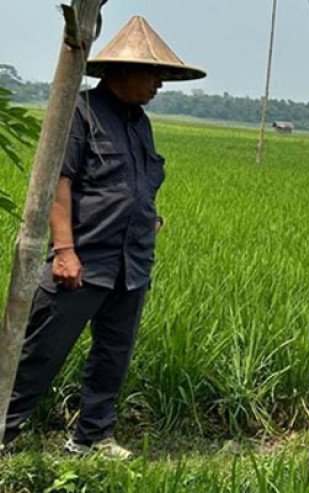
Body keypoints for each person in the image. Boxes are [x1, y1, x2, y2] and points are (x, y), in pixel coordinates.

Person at [0, 16, 205, 459]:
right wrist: (66, 251)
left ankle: (93, 436)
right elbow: (60, 181)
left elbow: (136, 181)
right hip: (83, 260)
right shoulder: (81, 111)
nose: (159, 85)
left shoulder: (140, 123)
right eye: (153, 75)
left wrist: (148, 217)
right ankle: (4, 430)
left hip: (132, 263)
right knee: (40, 351)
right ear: (120, 72)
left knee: (113, 355)